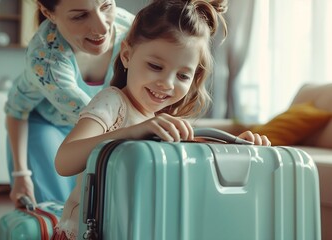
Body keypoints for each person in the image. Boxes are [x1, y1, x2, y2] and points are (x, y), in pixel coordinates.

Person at [52, 0, 271, 238]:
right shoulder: (112, 102)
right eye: (155, 66)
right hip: (91, 231)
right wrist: (131, 132)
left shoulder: (165, 119)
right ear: (126, 55)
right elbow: (64, 161)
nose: (167, 83)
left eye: (183, 75)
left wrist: (239, 149)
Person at [4, 0, 134, 206]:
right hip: (45, 126)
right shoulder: (45, 59)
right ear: (49, 13)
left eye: (106, 6)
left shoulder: (132, 32)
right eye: (80, 16)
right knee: (56, 210)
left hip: (99, 127)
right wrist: (21, 174)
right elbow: (16, 110)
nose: (103, 27)